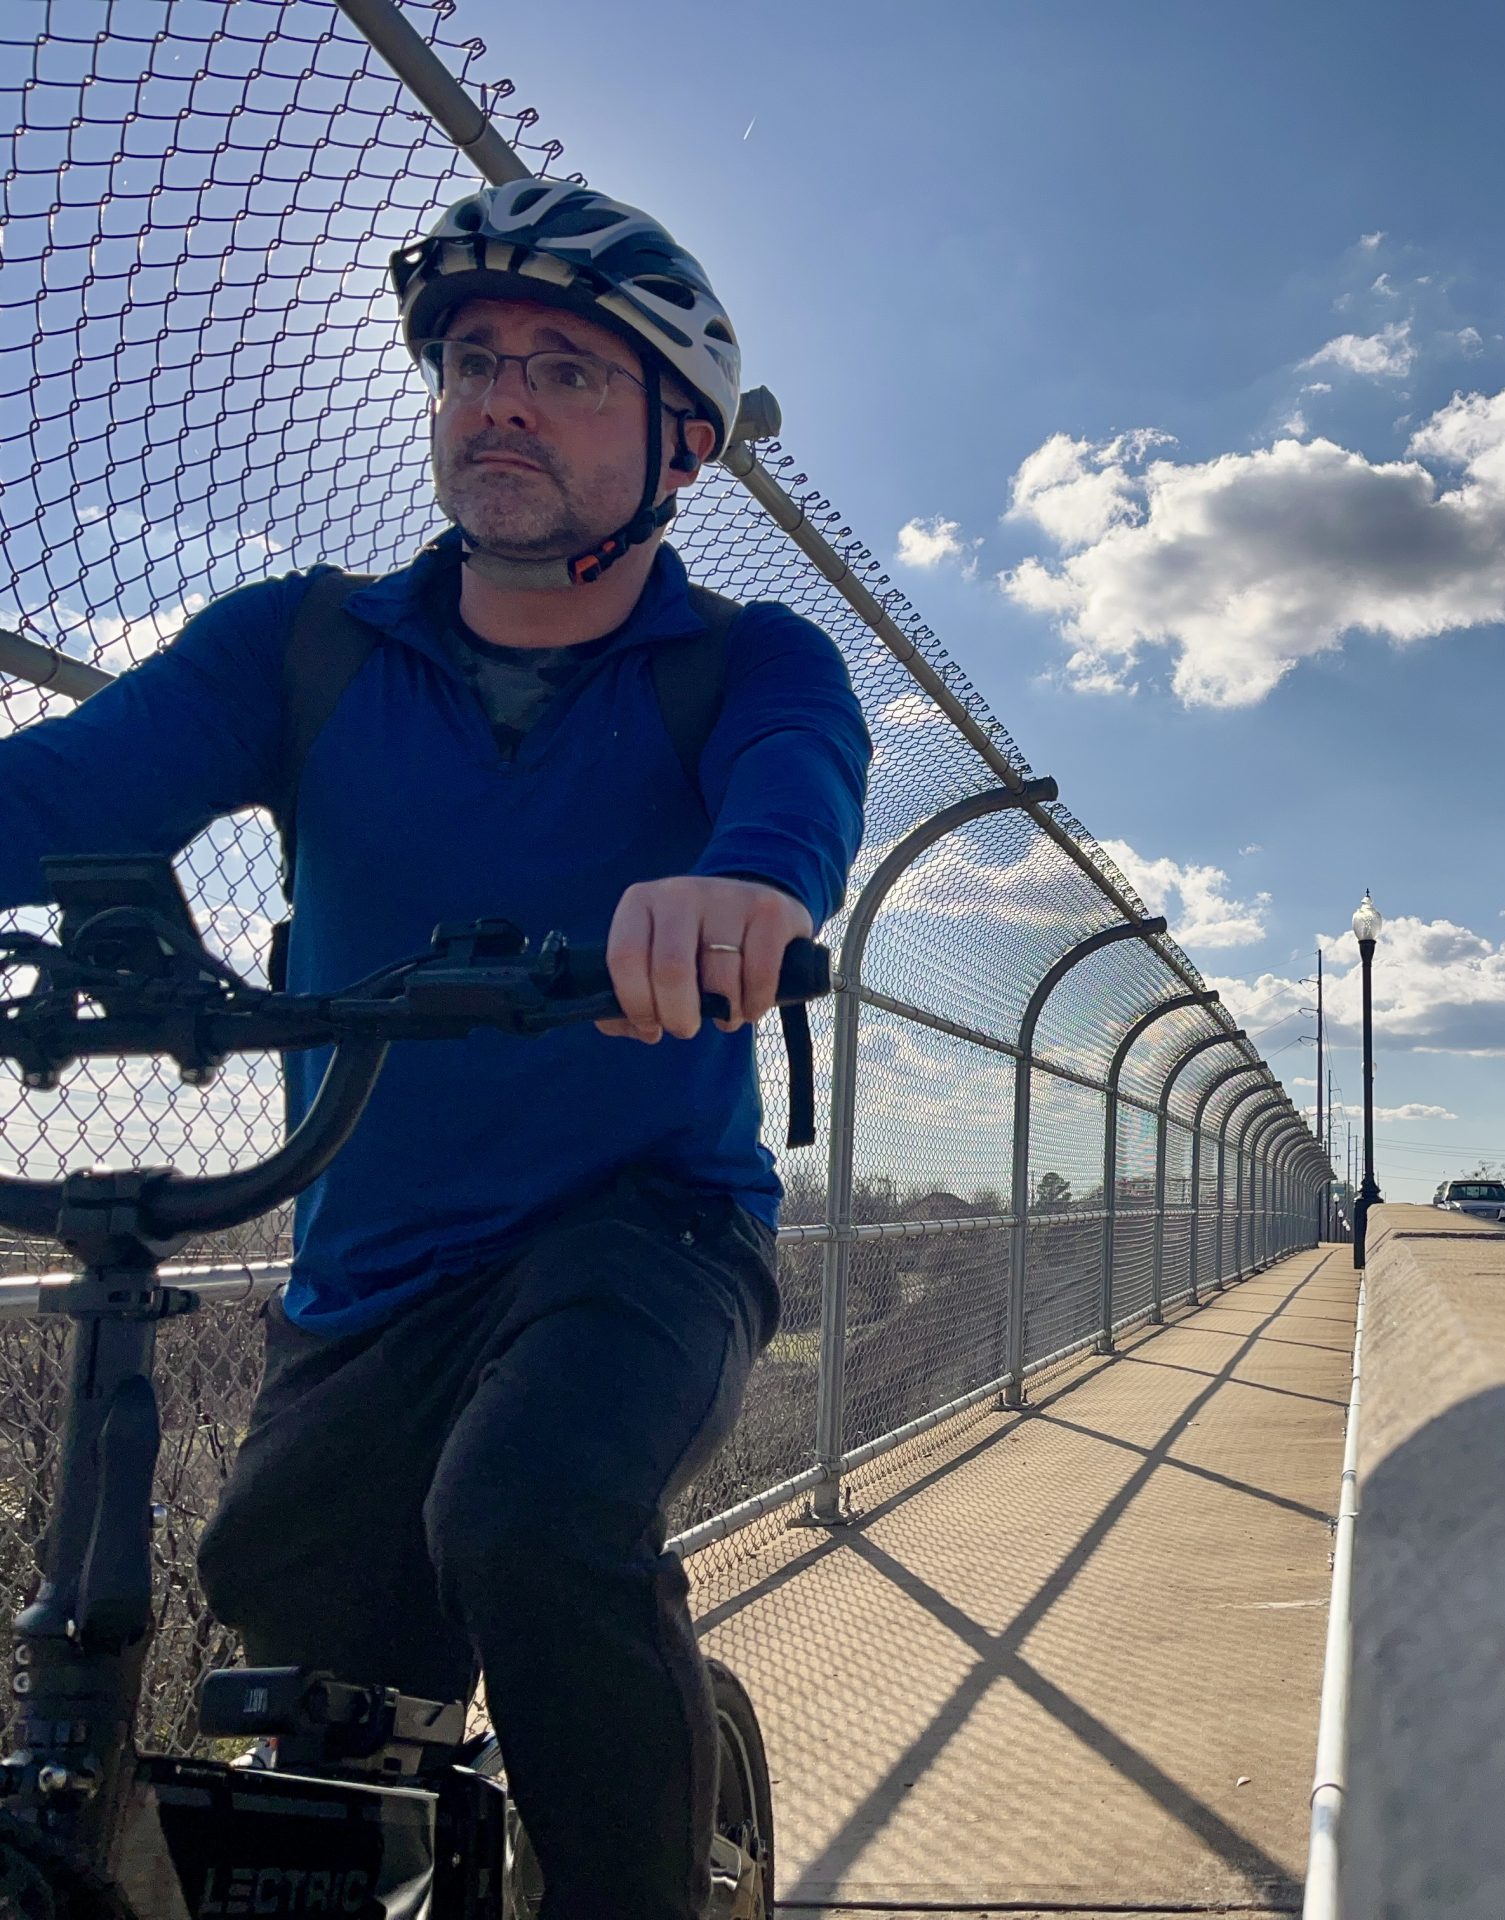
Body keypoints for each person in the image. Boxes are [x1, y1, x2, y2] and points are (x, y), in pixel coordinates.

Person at [0, 180, 872, 1919]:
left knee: (534, 1514)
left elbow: (796, 790)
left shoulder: (744, 662)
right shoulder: (304, 650)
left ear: (681, 443)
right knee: (292, 1622)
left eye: (566, 370)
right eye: (476, 362)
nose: (503, 400)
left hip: (645, 1228)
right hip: (370, 1263)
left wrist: (738, 894)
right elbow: (58, 795)